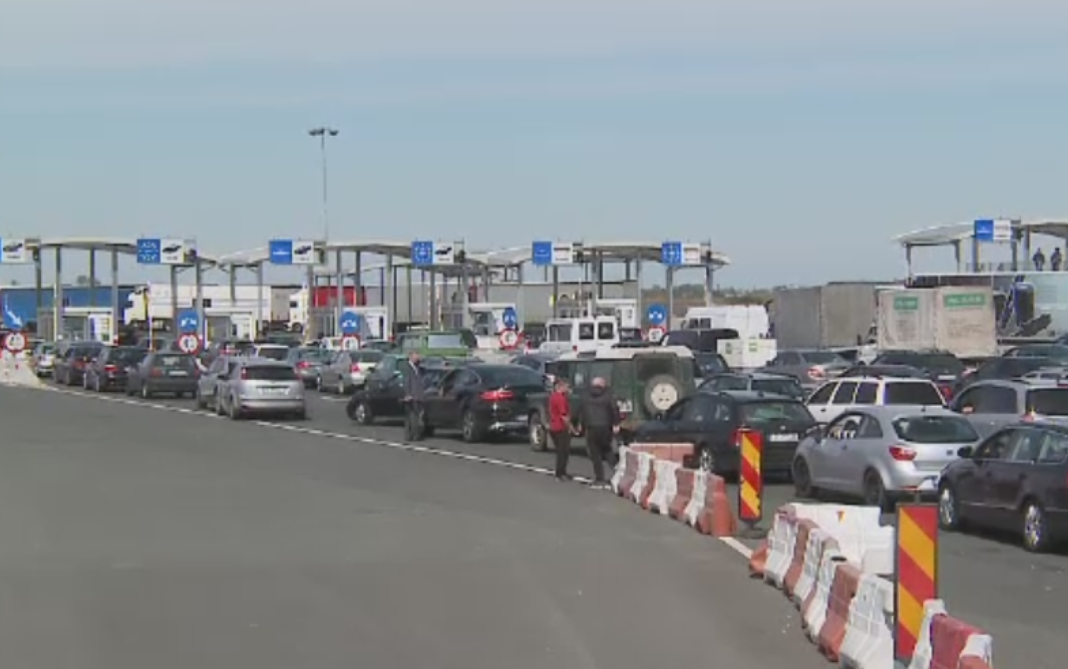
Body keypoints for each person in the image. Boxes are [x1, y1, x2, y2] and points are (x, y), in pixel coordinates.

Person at [574, 376, 621, 488]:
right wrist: (616, 423)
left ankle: (599, 478)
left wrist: (577, 424)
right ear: (602, 385)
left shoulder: (585, 395)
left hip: (591, 426)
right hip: (605, 426)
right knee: (607, 450)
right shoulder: (608, 395)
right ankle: (618, 471)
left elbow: (579, 410)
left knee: (595, 454)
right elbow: (614, 409)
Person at [548, 377, 574, 481]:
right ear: (561, 387)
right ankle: (560, 473)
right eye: (567, 387)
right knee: (563, 452)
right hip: (561, 427)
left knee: (560, 451)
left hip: (553, 426)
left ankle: (561, 472)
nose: (568, 389)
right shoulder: (561, 398)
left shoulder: (553, 396)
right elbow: (563, 415)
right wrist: (571, 427)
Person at [402, 351, 426, 442]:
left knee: (415, 417)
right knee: (411, 416)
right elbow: (406, 382)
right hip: (411, 396)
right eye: (416, 357)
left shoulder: (417, 368)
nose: (418, 358)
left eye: (418, 357)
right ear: (411, 357)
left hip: (418, 396)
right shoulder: (407, 368)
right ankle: (411, 435)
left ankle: (413, 435)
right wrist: (407, 394)